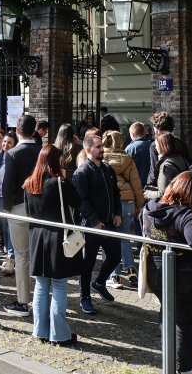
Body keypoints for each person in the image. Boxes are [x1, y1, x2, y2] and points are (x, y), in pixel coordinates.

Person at [141, 172, 192, 374]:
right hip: (185, 275)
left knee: (167, 314)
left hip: (156, 270)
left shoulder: (149, 208)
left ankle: (169, 361)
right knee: (186, 321)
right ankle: (182, 366)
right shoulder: (186, 215)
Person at [24, 144, 83, 346]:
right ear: (55, 161)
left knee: (41, 285)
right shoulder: (59, 183)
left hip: (37, 237)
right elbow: (76, 202)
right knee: (58, 284)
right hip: (58, 237)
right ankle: (59, 335)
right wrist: (65, 178)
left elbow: (29, 213)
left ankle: (39, 330)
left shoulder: (29, 183)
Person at [72, 133, 122, 315]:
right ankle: (85, 296)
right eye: (99, 147)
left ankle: (99, 282)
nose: (103, 149)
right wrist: (94, 221)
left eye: (102, 146)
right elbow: (81, 201)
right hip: (91, 225)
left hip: (109, 223)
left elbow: (116, 193)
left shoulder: (108, 169)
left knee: (115, 256)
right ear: (88, 149)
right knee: (88, 262)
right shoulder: (82, 172)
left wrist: (117, 213)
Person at [0, 114, 41, 317]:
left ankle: (23, 301)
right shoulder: (44, 151)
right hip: (41, 208)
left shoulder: (13, 153)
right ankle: (41, 298)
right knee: (38, 254)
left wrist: (7, 208)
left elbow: (7, 184)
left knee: (22, 255)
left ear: (17, 131)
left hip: (18, 206)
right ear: (35, 131)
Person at [102, 129, 143, 290]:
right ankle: (131, 269)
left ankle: (115, 275)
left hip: (110, 202)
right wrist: (139, 204)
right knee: (125, 236)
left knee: (110, 239)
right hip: (128, 201)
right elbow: (136, 184)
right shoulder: (127, 159)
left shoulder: (102, 158)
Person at [0, 131, 18, 276]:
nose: (6, 145)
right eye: (5, 142)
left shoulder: (15, 158)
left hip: (10, 198)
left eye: (9, 142)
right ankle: (9, 255)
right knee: (4, 228)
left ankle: (11, 258)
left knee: (10, 228)